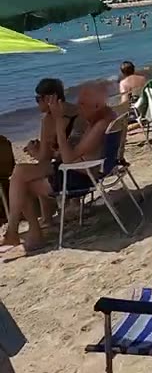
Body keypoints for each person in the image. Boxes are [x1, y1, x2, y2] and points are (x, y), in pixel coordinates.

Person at [1, 82, 113, 256]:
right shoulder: (56, 118)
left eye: (38, 99)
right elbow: (48, 157)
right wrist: (37, 151)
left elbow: (67, 157)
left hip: (78, 171)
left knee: (20, 182)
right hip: (74, 166)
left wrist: (59, 128)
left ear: (49, 98)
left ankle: (24, 232)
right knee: (20, 174)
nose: (36, 103)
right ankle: (16, 230)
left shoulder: (78, 117)